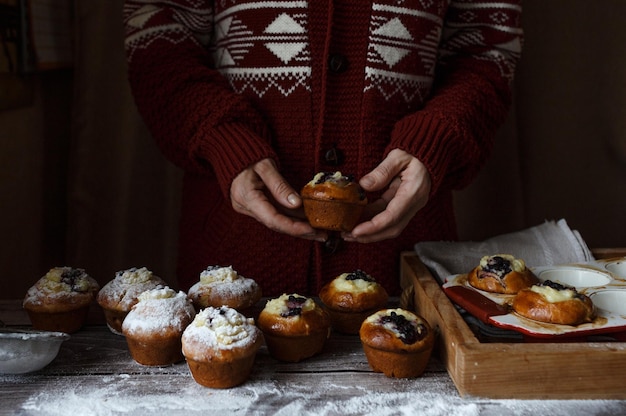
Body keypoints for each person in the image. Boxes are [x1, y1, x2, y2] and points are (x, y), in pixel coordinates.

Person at [122, 1, 523, 296]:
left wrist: (437, 137)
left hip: (405, 267)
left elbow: (486, 50)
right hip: (235, 264)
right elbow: (156, 38)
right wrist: (222, 137)